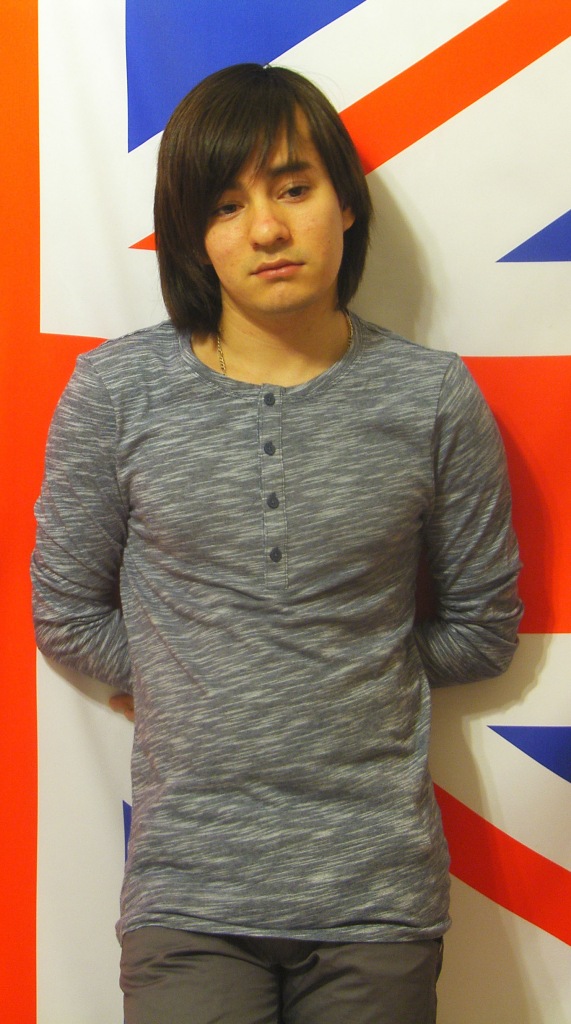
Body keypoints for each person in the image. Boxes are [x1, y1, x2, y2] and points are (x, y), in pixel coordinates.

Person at [31, 63, 523, 1024]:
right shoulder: (115, 393)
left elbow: (480, 630)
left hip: (377, 891)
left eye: (292, 188)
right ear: (191, 236)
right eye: (226, 206)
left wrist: (339, 674)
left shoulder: (431, 398)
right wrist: (190, 676)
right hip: (187, 893)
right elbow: (66, 610)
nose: (265, 229)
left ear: (345, 203)